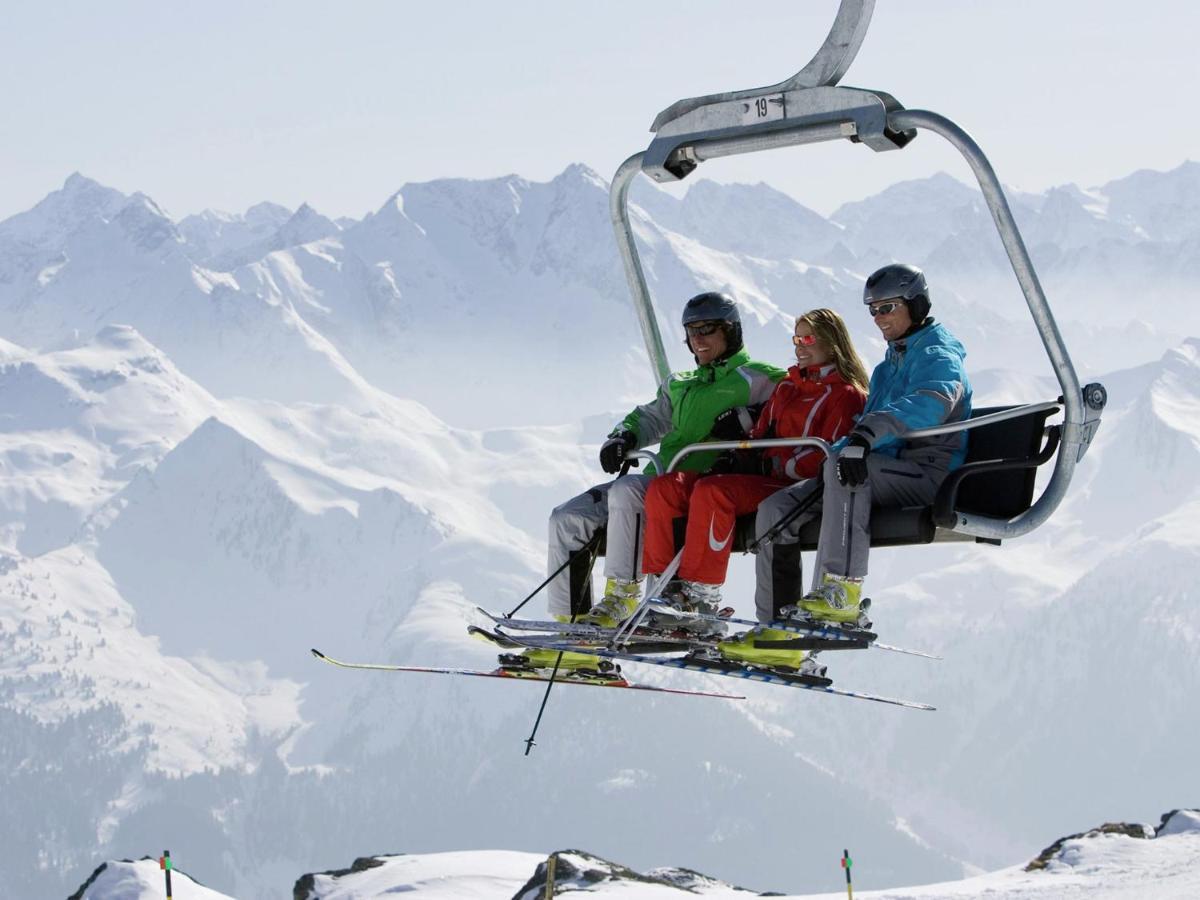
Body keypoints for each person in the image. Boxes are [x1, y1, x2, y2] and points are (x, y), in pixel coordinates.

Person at [720, 263, 972, 671]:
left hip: (925, 474)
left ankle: (841, 593)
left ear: (916, 304)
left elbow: (932, 400)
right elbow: (859, 434)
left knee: (844, 466)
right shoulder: (888, 365)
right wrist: (849, 444)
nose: (879, 318)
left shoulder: (936, 354)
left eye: (887, 307)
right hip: (877, 471)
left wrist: (866, 437)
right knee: (776, 510)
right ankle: (777, 633)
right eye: (872, 310)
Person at [519, 291, 784, 671]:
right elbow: (649, 418)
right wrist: (623, 436)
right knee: (566, 518)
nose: (699, 339)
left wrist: (749, 416)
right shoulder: (682, 384)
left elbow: (791, 403)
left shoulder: (757, 377)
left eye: (708, 329)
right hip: (660, 477)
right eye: (691, 332)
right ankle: (573, 628)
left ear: (731, 331)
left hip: (698, 480)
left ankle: (622, 598)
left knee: (629, 491)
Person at [639, 308, 869, 635]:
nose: (799, 346)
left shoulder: (846, 395)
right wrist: (735, 457)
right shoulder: (788, 388)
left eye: (807, 338)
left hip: (792, 485)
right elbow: (758, 435)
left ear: (832, 343)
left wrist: (768, 463)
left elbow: (826, 456)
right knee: (667, 487)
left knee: (714, 492)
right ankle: (665, 593)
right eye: (796, 338)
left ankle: (701, 600)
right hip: (762, 476)